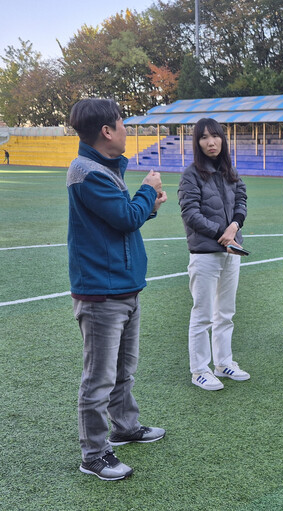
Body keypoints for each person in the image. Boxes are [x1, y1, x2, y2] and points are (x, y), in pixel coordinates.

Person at [67, 98, 167, 481]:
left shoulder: (102, 168)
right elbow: (125, 218)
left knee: (123, 370)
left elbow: (118, 222)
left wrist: (148, 206)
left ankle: (125, 427)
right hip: (101, 292)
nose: (127, 129)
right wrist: (147, 191)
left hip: (122, 286)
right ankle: (94, 455)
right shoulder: (87, 171)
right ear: (107, 131)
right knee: (99, 379)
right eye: (123, 123)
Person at [178, 118, 250, 390]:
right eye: (204, 137)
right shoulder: (191, 175)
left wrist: (234, 226)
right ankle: (199, 370)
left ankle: (223, 363)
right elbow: (190, 214)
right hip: (205, 253)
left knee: (226, 312)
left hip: (232, 252)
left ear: (223, 139)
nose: (211, 142)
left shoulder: (231, 171)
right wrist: (222, 232)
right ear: (197, 143)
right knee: (203, 314)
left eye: (215, 136)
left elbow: (241, 201)